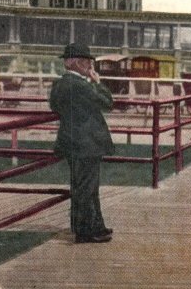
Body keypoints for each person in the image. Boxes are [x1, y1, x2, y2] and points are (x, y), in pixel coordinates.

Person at [49, 43, 114, 244]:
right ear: (77, 63)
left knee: (82, 187)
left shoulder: (59, 85)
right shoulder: (80, 85)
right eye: (87, 62)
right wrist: (97, 82)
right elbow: (107, 103)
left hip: (72, 141)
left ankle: (93, 226)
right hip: (87, 143)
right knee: (87, 188)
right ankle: (86, 231)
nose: (90, 66)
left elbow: (54, 106)